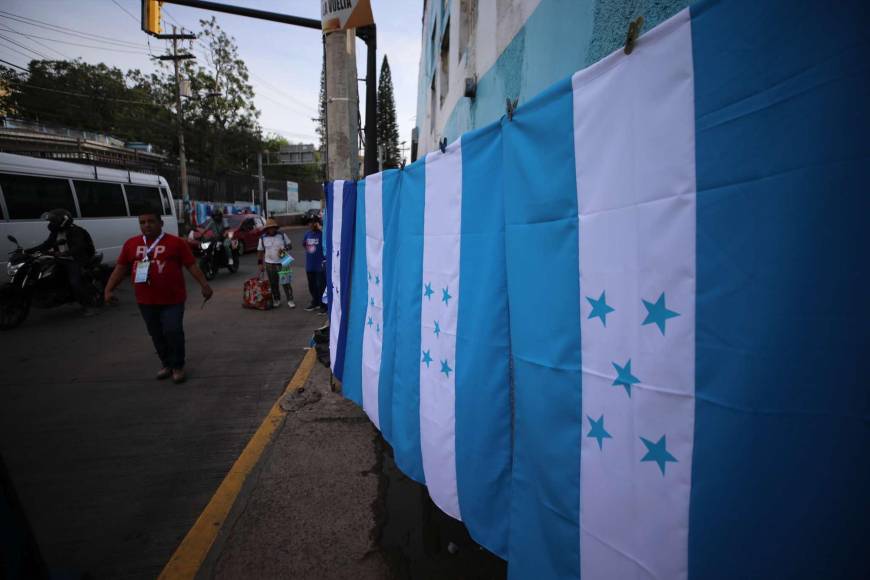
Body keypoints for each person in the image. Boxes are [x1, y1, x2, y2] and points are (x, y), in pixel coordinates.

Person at [103, 211, 213, 384]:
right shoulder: (131, 244)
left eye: (151, 221)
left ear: (161, 223)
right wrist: (108, 290)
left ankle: (177, 366)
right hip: (145, 300)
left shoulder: (176, 243)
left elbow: (191, 265)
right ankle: (166, 364)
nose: (147, 225)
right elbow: (120, 268)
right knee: (156, 334)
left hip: (173, 299)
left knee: (173, 331)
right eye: (142, 222)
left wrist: (204, 285)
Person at [29, 208, 97, 315]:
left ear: (63, 220)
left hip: (75, 259)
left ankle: (88, 305)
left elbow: (78, 246)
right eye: (51, 221)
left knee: (75, 283)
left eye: (54, 221)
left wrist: (65, 254)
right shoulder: (56, 232)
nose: (52, 223)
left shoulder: (75, 231)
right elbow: (46, 244)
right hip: (60, 259)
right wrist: (28, 251)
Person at [257, 219, 295, 309]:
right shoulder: (262, 238)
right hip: (269, 264)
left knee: (286, 283)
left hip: (284, 262)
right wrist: (260, 264)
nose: (271, 229)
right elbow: (260, 251)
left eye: (273, 227)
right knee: (273, 284)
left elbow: (290, 245)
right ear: (267, 229)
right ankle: (277, 299)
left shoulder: (282, 235)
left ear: (275, 228)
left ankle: (290, 300)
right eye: (269, 228)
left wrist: (285, 248)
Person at [302, 217, 326, 313]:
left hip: (320, 265)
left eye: (314, 222)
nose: (312, 224)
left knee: (321, 286)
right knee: (312, 285)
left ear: (318, 224)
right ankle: (315, 302)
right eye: (310, 223)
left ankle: (323, 305)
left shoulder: (323, 234)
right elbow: (304, 244)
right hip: (310, 265)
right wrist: (311, 250)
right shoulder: (307, 234)